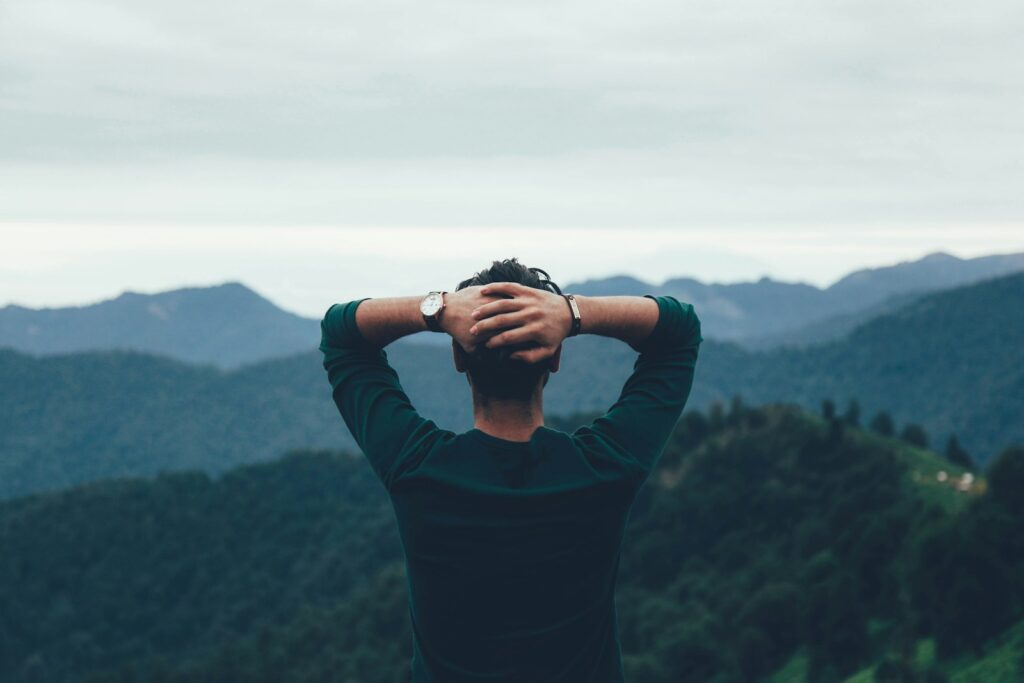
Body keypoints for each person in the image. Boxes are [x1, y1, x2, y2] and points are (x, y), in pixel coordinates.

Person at [320, 258, 702, 682]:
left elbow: (341, 336)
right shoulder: (605, 469)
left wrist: (440, 310)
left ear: (457, 357)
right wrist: (571, 313)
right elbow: (679, 333)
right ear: (555, 357)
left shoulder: (417, 469)